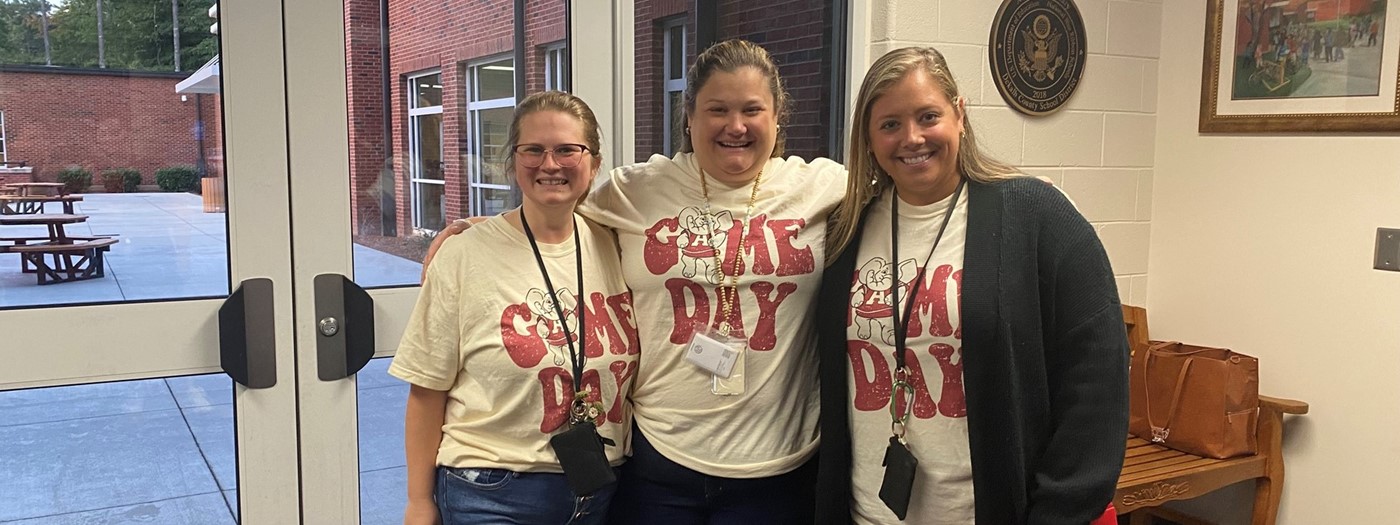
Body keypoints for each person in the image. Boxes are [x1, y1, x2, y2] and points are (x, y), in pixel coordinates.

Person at [424, 39, 847, 523]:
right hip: (659, 461)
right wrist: (482, 228)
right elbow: (555, 197)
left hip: (778, 464)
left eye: (752, 109)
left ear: (777, 116)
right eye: (717, 109)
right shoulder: (635, 189)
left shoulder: (823, 187)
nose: (735, 125)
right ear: (689, 117)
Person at [814, 46, 1129, 524]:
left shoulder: (1038, 218)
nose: (912, 138)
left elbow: (1096, 385)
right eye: (890, 124)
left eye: (928, 116)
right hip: (867, 513)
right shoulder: (846, 229)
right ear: (869, 138)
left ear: (960, 114)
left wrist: (1058, 510)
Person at [393, 91, 640, 525]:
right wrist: (418, 502)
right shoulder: (465, 256)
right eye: (533, 150)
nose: (550, 164)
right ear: (512, 162)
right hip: (491, 492)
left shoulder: (614, 243)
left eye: (568, 149)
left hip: (599, 491)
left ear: (594, 164)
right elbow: (426, 390)